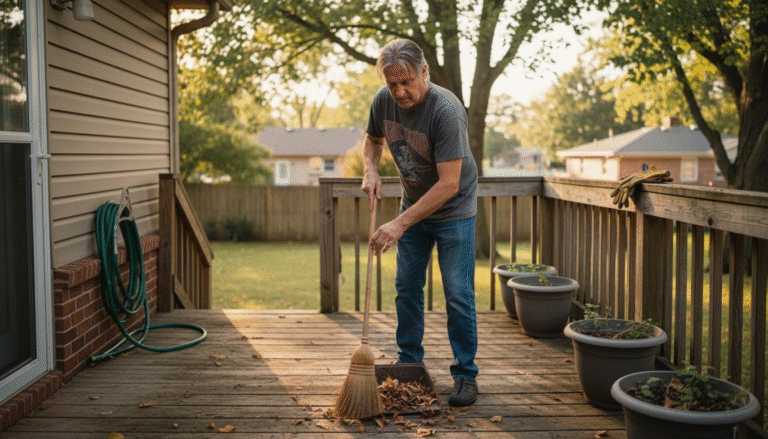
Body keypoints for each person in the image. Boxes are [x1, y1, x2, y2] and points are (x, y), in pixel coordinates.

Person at [361, 38, 479, 407]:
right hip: (413, 204)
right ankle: (409, 363)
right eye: (391, 83)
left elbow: (448, 184)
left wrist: (399, 224)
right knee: (406, 286)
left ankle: (464, 374)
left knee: (458, 294)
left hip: (453, 211)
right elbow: (372, 139)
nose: (399, 91)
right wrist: (370, 169)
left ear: (424, 72)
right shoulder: (384, 100)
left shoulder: (445, 112)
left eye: (406, 81)